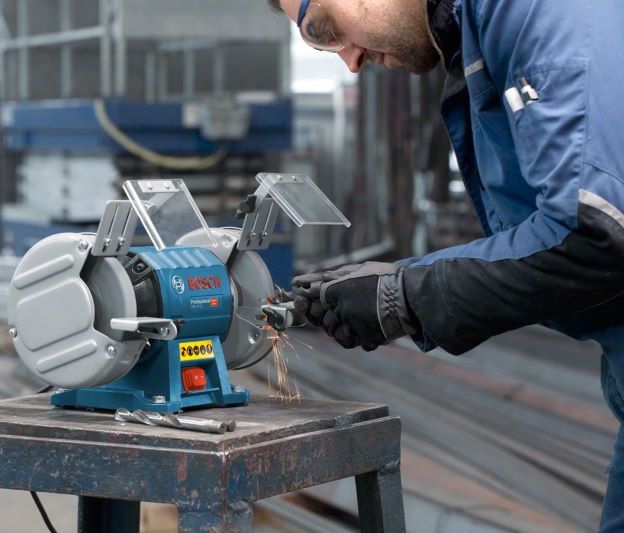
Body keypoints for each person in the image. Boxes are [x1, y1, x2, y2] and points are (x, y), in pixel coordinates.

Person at [265, 0, 624, 530]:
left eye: (323, 29)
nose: (349, 61)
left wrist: (407, 295)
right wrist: (400, 279)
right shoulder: (477, 33)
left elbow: (596, 228)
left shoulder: (532, 9)